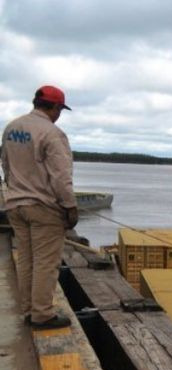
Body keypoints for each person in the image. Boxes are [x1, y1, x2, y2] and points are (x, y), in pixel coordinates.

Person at [1, 85, 77, 329]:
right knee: (45, 262)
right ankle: (42, 315)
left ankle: (28, 311)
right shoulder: (52, 133)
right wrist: (70, 206)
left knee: (26, 259)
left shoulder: (12, 128)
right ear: (54, 107)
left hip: (15, 205)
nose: (59, 114)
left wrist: (14, 191)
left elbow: (5, 164)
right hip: (43, 208)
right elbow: (61, 177)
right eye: (59, 110)